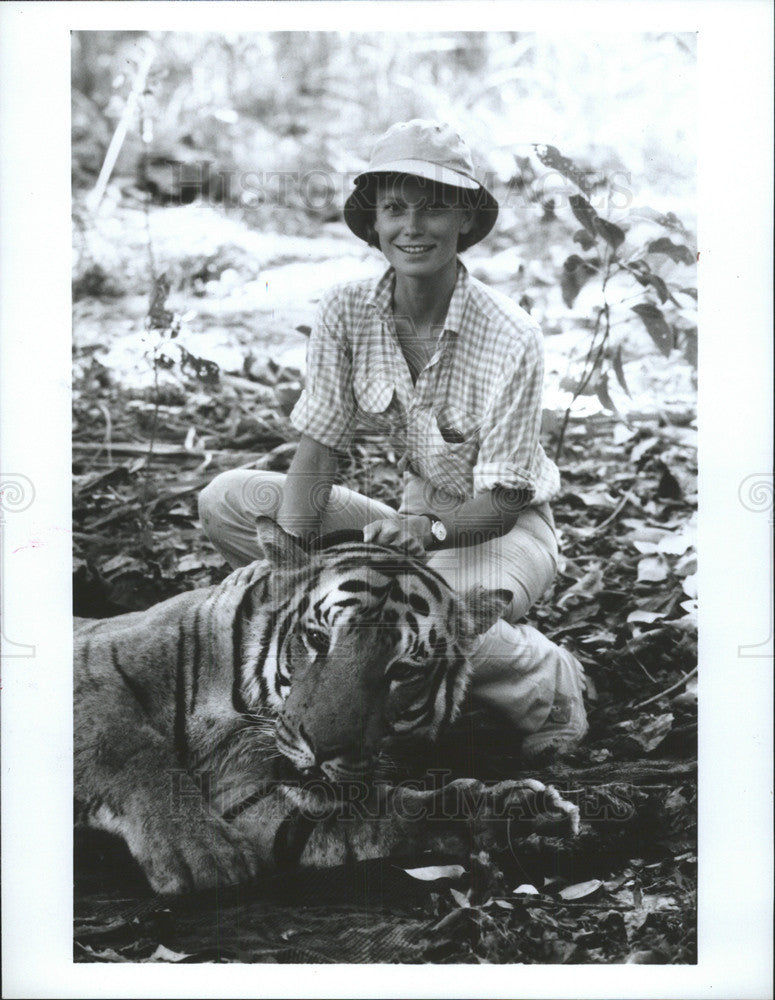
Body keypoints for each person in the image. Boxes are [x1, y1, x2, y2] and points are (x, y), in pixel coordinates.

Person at [199, 120, 587, 756]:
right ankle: (348, 655)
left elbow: (506, 502)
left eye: (434, 207)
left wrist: (428, 533)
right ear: (374, 223)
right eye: (395, 208)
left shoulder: (510, 334)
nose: (414, 227)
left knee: (438, 612)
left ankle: (542, 678)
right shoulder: (346, 311)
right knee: (230, 499)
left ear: (464, 219)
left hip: (504, 532)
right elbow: (319, 448)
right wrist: (294, 568)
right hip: (406, 528)